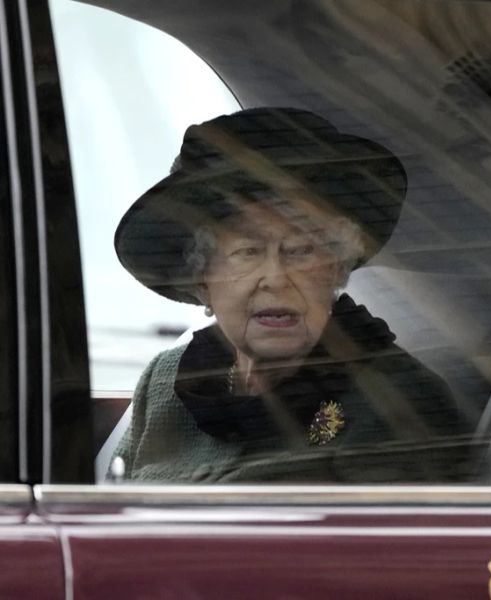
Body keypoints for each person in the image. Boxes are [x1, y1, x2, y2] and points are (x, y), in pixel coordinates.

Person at [109, 107, 467, 483]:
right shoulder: (165, 381)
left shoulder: (400, 402)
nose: (276, 278)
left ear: (335, 270)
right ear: (202, 282)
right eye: (247, 252)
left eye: (301, 251)